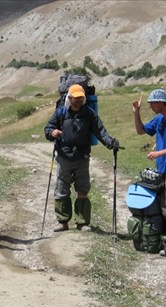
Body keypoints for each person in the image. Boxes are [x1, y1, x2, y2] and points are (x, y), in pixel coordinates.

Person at [44, 84, 121, 232]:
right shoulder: (60, 113)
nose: (79, 100)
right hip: (64, 156)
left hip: (82, 156)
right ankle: (63, 222)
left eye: (81, 98)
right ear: (70, 98)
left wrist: (110, 142)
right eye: (76, 98)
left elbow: (100, 131)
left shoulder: (89, 114)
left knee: (82, 189)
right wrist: (52, 132)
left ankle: (82, 222)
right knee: (62, 188)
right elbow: (48, 129)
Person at [132, 88, 166, 257]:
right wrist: (136, 113)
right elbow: (141, 130)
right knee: (162, 202)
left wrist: (159, 153)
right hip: (162, 167)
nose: (150, 107)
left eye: (152, 104)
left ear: (161, 102)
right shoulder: (159, 119)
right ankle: (165, 237)